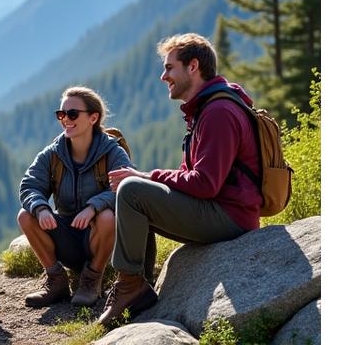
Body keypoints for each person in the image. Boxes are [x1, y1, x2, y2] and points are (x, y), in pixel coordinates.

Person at [97, 33, 263, 327]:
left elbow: (205, 183)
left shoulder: (218, 112)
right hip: (220, 209)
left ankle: (129, 286)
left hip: (230, 217)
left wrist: (145, 176)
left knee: (134, 190)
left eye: (169, 68)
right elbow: (196, 179)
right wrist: (151, 180)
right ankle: (136, 284)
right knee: (139, 190)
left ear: (193, 66)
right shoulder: (207, 108)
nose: (163, 77)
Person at [18, 86, 133, 308]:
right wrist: (41, 208)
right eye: (61, 114)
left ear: (93, 118)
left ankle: (92, 279)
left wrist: (93, 207)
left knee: (107, 216)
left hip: (98, 239)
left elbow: (125, 187)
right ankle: (56, 280)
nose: (65, 120)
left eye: (72, 114)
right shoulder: (52, 154)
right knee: (26, 215)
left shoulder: (112, 151)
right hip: (67, 237)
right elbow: (29, 186)